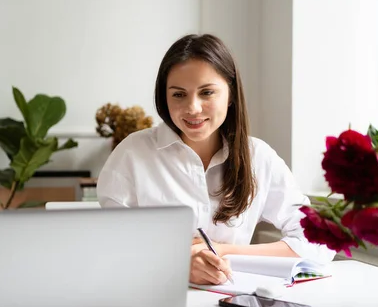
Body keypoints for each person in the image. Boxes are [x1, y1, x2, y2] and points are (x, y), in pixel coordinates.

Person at [96, 33, 335, 286]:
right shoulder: (132, 154)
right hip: (150, 300)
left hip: (233, 305)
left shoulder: (258, 158)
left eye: (207, 92)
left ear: (230, 95)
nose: (193, 108)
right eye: (178, 95)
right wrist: (177, 265)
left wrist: (223, 252)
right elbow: (110, 249)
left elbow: (320, 242)